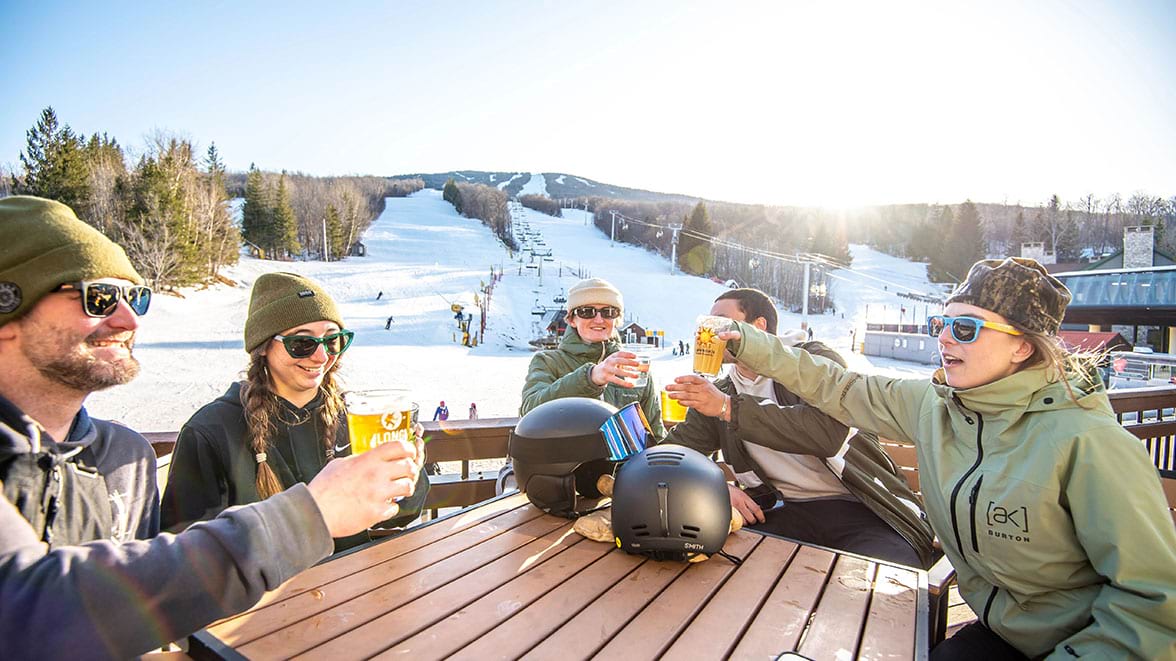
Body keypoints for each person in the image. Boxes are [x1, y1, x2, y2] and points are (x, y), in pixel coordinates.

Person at [0, 196, 424, 658]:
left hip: (350, 615)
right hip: (256, 636)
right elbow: (29, 611)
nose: (129, 320)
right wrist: (308, 516)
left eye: (134, 298)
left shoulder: (124, 459)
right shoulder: (211, 431)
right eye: (98, 298)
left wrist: (405, 479)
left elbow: (151, 602)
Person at [719, 258, 1176, 659]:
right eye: (942, 323)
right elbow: (836, 386)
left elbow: (1154, 603)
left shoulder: (1089, 441)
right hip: (1000, 635)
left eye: (966, 328)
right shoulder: (933, 407)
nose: (944, 339)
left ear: (1022, 346)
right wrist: (746, 342)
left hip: (1090, 642)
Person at [664, 289, 933, 568]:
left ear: (758, 327)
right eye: (706, 324)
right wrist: (711, 487)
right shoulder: (720, 393)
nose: (707, 332)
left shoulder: (812, 361)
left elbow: (827, 434)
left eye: (721, 322)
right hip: (783, 511)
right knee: (716, 566)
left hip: (863, 509)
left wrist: (727, 407)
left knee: (884, 579)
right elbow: (670, 454)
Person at [160, 273, 429, 550]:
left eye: (332, 340)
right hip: (265, 580)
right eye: (302, 343)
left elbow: (400, 515)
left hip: (350, 573)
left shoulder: (353, 418)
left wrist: (408, 475)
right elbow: (186, 553)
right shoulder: (212, 431)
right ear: (263, 346)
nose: (321, 356)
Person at [499, 278, 665, 494]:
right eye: (587, 311)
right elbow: (531, 409)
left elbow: (655, 437)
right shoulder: (549, 361)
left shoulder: (633, 369)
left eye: (608, 312)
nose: (599, 319)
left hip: (621, 485)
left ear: (617, 319)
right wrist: (590, 378)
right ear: (571, 319)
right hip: (560, 482)